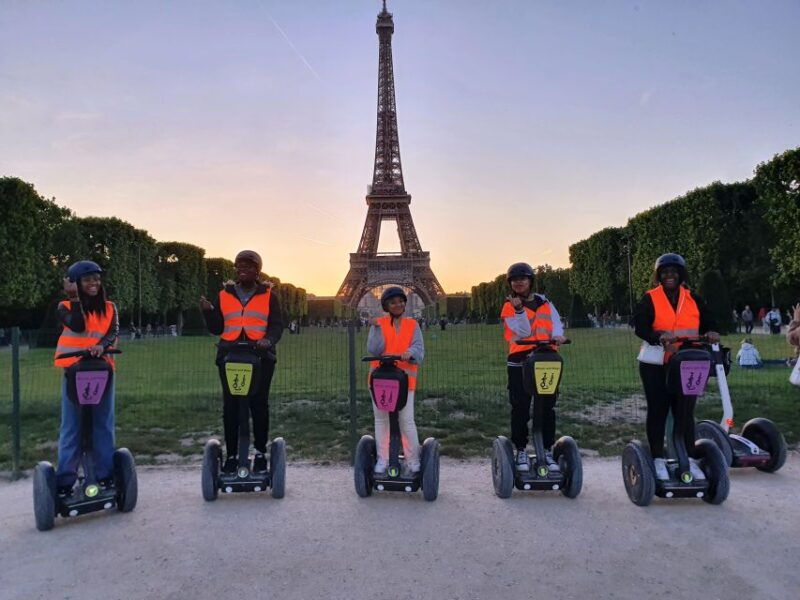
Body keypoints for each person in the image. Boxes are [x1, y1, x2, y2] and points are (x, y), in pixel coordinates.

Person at [632, 253, 720, 482]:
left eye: (674, 271)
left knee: (685, 411)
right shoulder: (650, 298)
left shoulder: (693, 298)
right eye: (664, 272)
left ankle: (689, 457)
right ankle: (658, 458)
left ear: (681, 274)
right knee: (658, 409)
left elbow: (710, 320)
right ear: (658, 275)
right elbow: (640, 325)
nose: (669, 275)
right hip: (655, 363)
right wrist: (658, 335)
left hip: (689, 360)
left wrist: (711, 331)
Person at [200, 250, 283, 474]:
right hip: (230, 355)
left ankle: (259, 453)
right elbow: (217, 328)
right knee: (232, 406)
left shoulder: (269, 296)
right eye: (239, 265)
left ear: (257, 270)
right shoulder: (224, 294)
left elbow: (276, 325)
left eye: (248, 265)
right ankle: (233, 455)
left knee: (258, 405)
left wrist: (268, 340)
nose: (242, 269)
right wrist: (208, 313)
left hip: (260, 357)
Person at [54, 260, 119, 496]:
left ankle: (105, 475)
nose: (94, 283)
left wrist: (102, 346)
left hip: (102, 369)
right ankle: (65, 481)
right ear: (75, 283)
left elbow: (112, 332)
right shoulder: (63, 307)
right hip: (74, 370)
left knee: (103, 424)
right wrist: (74, 299)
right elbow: (79, 326)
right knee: (72, 425)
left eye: (97, 279)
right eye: (88, 279)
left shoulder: (110, 307)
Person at [500, 262, 567, 473]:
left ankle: (546, 449)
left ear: (530, 281)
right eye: (515, 279)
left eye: (523, 278)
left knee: (547, 406)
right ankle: (521, 448)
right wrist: (520, 310)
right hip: (519, 361)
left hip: (546, 358)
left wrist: (558, 335)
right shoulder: (509, 306)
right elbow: (522, 332)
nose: (519, 282)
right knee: (520, 406)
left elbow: (556, 323)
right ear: (511, 283)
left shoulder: (546, 303)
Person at [367, 287, 425, 476]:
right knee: (381, 420)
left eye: (400, 301)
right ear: (386, 306)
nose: (398, 305)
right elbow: (374, 351)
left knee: (406, 420)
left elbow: (419, 348)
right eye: (393, 302)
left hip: (405, 381)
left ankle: (413, 460)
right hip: (381, 381)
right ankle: (383, 459)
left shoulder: (412, 324)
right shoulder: (379, 324)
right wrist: (375, 328)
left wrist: (411, 353)